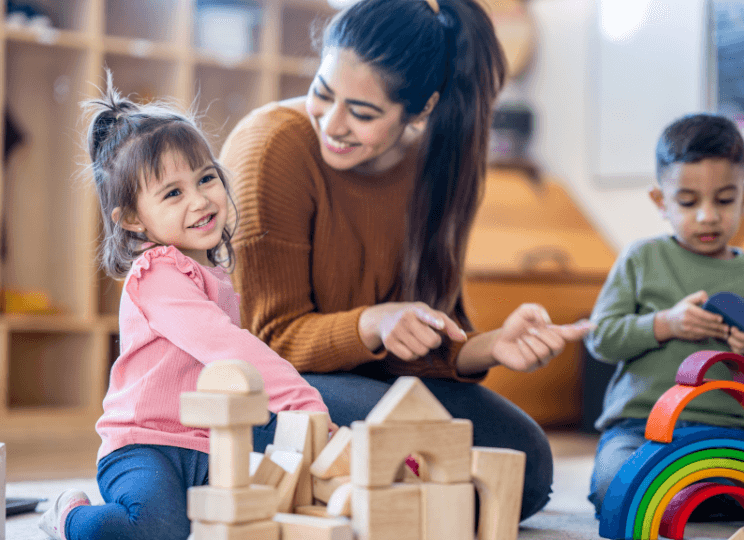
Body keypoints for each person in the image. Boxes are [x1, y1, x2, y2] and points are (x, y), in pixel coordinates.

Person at [220, 0, 592, 521]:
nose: (333, 122)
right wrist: (373, 322)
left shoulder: (438, 166)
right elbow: (267, 341)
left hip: (367, 383)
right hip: (261, 383)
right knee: (415, 448)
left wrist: (488, 346)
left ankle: (368, 500)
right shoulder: (274, 147)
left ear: (420, 111)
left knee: (524, 462)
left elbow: (422, 341)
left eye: (364, 112)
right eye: (322, 93)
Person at [38, 73, 331, 540]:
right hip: (144, 445)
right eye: (173, 193)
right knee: (153, 529)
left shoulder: (214, 274)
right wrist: (301, 402)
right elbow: (227, 347)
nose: (200, 200)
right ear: (133, 219)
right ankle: (69, 514)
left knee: (265, 507)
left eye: (206, 178)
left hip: (208, 440)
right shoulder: (157, 274)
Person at [584, 113, 744, 520]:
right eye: (688, 202)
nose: (708, 216)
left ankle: (689, 501)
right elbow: (600, 337)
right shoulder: (642, 258)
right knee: (614, 486)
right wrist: (665, 323)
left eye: (725, 200)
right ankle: (687, 500)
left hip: (731, 434)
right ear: (661, 201)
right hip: (643, 427)